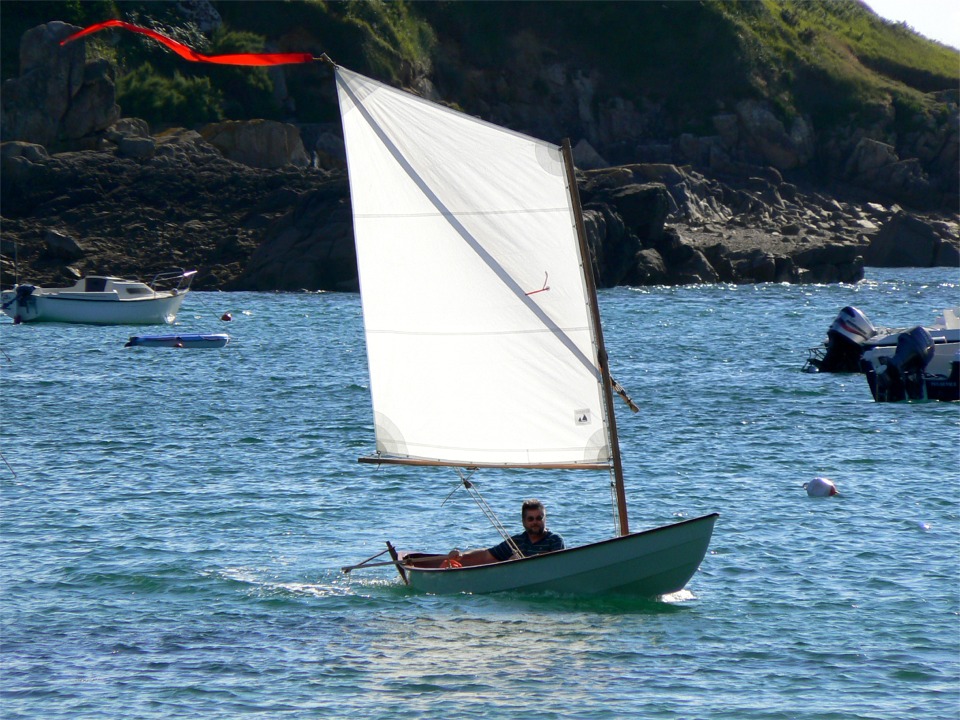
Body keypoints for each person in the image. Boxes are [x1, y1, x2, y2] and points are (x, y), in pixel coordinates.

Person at [446, 499, 564, 567]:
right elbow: (486, 555)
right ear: (523, 521)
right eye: (530, 519)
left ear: (545, 519)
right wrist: (462, 555)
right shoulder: (516, 541)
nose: (535, 522)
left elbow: (556, 564)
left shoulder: (554, 540)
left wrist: (520, 561)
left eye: (539, 518)